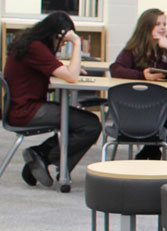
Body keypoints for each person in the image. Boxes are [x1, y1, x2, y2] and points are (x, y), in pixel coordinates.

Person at [3, 11, 102, 187]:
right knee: (90, 125)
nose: (62, 45)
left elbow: (61, 71)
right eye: (64, 41)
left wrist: (70, 68)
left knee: (78, 122)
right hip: (27, 111)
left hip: (23, 107)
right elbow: (71, 77)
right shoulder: (36, 47)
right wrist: (77, 42)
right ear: (58, 34)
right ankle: (44, 156)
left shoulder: (30, 43)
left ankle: (40, 157)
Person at [109, 8, 167, 160]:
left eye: (164, 24)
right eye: (157, 24)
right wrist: (141, 76)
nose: (162, 27)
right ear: (147, 26)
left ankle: (149, 150)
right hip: (138, 103)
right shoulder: (134, 48)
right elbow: (116, 69)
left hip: (164, 104)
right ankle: (152, 151)